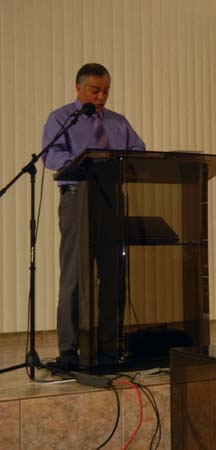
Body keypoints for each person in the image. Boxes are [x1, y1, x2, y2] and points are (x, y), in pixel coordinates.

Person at [42, 63, 145, 369]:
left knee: (113, 276)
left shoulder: (118, 122)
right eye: (95, 90)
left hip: (111, 200)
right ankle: (69, 350)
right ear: (79, 88)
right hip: (78, 199)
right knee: (75, 275)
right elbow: (51, 155)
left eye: (106, 91)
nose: (101, 97)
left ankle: (110, 348)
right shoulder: (62, 118)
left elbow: (138, 150)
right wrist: (86, 162)